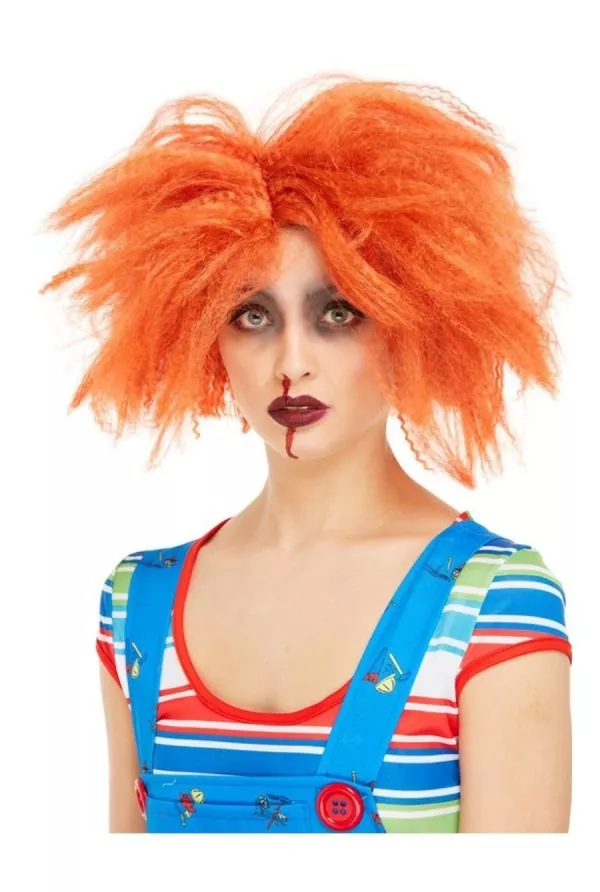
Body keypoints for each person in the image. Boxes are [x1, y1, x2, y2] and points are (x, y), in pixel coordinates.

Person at [39, 74, 572, 833]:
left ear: (412, 323)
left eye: (339, 312)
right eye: (252, 315)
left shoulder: (495, 603)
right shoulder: (134, 604)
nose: (292, 363)